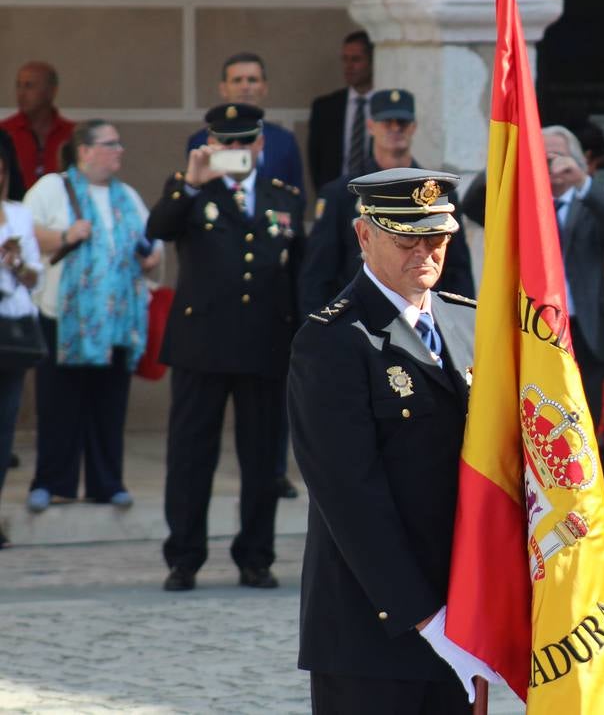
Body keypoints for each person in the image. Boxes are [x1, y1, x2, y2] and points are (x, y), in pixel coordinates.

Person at [289, 168, 474, 715]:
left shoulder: (467, 322)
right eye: (406, 240)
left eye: (436, 239)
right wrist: (426, 617)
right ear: (364, 236)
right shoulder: (332, 342)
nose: (425, 254)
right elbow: (349, 497)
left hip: (460, 610)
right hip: (372, 629)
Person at [148, 103, 306, 592]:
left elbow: (299, 271)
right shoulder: (190, 190)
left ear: (260, 144)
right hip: (202, 344)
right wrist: (192, 181)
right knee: (191, 455)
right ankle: (184, 557)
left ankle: (255, 557)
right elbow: (158, 228)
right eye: (226, 143)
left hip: (264, 342)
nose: (236, 151)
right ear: (210, 145)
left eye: (244, 142)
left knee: (262, 458)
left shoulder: (284, 197)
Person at [24, 120, 160, 514]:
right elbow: (23, 233)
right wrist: (66, 235)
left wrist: (151, 257)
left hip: (116, 320)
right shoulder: (52, 187)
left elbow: (152, 242)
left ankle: (107, 482)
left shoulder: (126, 195)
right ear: (83, 150)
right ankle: (52, 482)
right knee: (59, 401)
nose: (119, 150)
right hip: (63, 317)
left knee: (108, 403)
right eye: (110, 143)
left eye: (119, 143)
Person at [300, 89, 474, 316]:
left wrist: (462, 326)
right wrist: (321, 334)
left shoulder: (438, 194)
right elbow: (317, 275)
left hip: (427, 318)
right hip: (360, 323)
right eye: (386, 122)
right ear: (371, 126)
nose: (395, 129)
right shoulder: (341, 194)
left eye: (401, 122)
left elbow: (458, 271)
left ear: (413, 127)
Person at [544, 124, 604, 476]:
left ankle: (584, 476)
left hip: (584, 325)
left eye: (557, 157)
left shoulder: (588, 203)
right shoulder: (524, 205)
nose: (551, 166)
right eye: (543, 156)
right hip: (540, 324)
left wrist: (581, 182)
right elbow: (473, 204)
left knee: (587, 409)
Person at [185, 52, 305, 197]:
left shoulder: (285, 141)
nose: (245, 86)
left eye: (252, 80)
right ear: (223, 88)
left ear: (264, 87)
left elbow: (297, 197)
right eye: (237, 80)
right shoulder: (201, 141)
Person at [0, 153, 41, 548]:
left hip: (11, 330)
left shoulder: (18, 215)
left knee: (4, 426)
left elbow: (34, 277)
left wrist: (15, 263)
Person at [307, 30, 375, 194]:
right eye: (345, 59)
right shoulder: (325, 107)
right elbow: (315, 161)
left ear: (373, 61)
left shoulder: (384, 107)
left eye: (356, 60)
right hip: (336, 197)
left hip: (375, 197)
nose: (349, 66)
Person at [3, 61, 73, 195]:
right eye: (18, 86)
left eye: (29, 86)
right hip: (15, 210)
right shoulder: (4, 132)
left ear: (51, 91)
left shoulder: (71, 134)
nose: (21, 93)